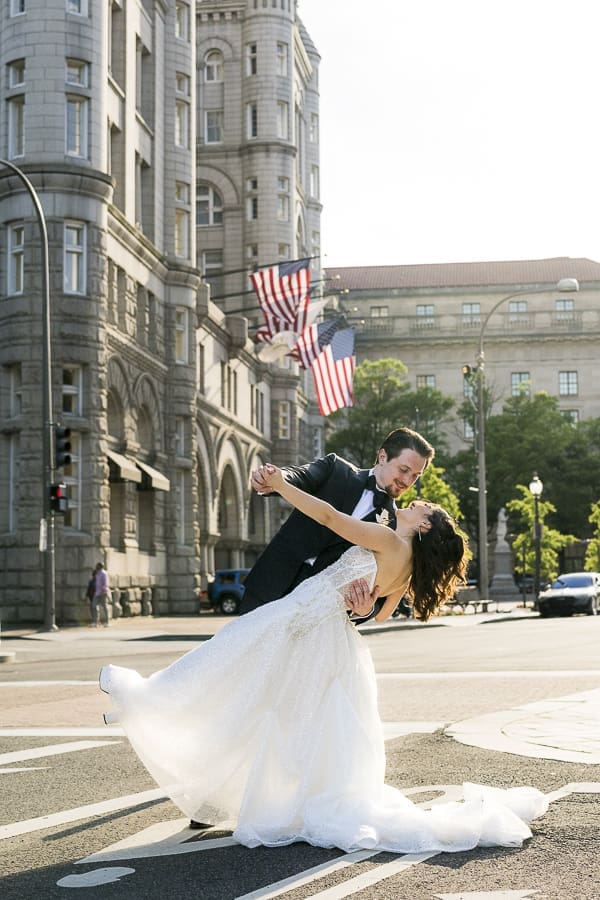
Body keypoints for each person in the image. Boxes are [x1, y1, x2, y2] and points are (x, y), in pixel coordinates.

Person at [99, 465, 548, 855]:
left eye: (422, 505)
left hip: (301, 620)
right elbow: (382, 609)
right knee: (284, 709)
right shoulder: (407, 564)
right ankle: (281, 795)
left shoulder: (390, 540)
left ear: (425, 526)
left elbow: (330, 518)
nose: (415, 501)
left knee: (227, 663)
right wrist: (360, 603)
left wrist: (280, 485)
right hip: (328, 635)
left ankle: (148, 698)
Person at [239, 427, 435, 620]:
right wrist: (273, 479)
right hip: (269, 585)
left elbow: (381, 597)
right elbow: (299, 475)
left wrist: (366, 610)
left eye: (415, 476)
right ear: (383, 457)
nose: (407, 481)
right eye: (404, 470)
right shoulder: (336, 469)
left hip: (317, 615)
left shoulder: (396, 526)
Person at [92, 562, 111, 628]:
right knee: (94, 606)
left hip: (103, 593)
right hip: (97, 592)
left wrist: (104, 591)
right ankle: (96, 622)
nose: (96, 567)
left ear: (100, 566)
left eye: (97, 566)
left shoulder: (104, 573)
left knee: (105, 607)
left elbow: (105, 583)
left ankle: (107, 622)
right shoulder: (96, 573)